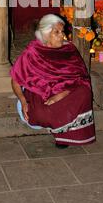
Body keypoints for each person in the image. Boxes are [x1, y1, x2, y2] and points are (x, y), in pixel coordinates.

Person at [10, 14, 96, 147]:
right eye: (56, 32)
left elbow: (81, 79)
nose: (62, 35)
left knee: (84, 92)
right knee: (40, 114)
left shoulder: (69, 49)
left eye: (62, 32)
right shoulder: (33, 51)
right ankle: (60, 127)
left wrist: (60, 95)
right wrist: (22, 100)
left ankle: (64, 135)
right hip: (40, 91)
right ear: (45, 35)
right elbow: (16, 79)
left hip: (66, 92)